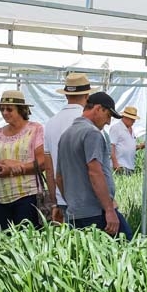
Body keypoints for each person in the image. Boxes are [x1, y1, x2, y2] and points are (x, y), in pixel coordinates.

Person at [55, 92, 132, 239]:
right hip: (96, 212)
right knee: (126, 247)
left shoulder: (66, 134)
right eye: (108, 115)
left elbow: (59, 177)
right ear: (98, 109)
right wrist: (109, 210)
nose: (109, 122)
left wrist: (74, 202)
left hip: (75, 212)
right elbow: (95, 172)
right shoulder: (92, 133)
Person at [0, 90, 45, 231]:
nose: (5, 112)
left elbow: (42, 162)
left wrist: (18, 168)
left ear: (22, 110)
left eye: (9, 109)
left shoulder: (35, 129)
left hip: (27, 195)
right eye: (2, 109)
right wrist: (4, 164)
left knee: (28, 239)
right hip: (0, 198)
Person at [43, 72, 94, 224]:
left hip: (62, 198)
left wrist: (54, 201)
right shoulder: (88, 122)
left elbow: (49, 168)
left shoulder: (51, 123)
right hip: (87, 200)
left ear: (66, 96)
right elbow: (94, 166)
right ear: (87, 96)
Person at [109, 106, 144, 175]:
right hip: (120, 165)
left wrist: (139, 146)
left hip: (129, 165)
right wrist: (115, 164)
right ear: (125, 117)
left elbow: (127, 146)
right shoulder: (116, 128)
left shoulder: (131, 129)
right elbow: (111, 146)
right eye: (132, 119)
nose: (134, 121)